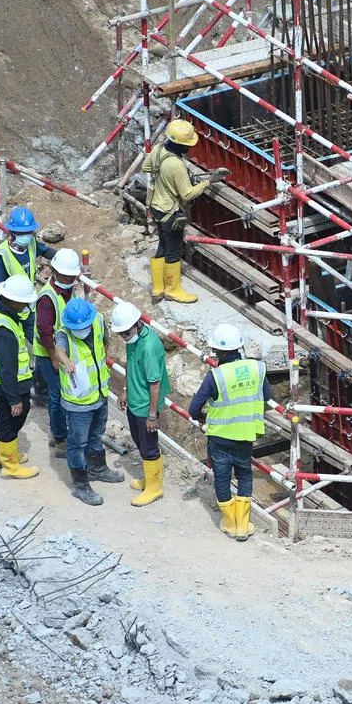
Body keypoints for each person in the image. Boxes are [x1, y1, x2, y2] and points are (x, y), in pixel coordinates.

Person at [189, 323, 270, 541]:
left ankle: (230, 522)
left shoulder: (215, 376)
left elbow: (194, 408)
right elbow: (267, 396)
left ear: (218, 351)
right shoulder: (257, 368)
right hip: (246, 434)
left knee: (222, 477)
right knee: (244, 474)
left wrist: (201, 418)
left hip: (220, 436)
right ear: (239, 347)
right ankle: (243, 524)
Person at [141, 119, 225, 304]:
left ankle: (158, 288)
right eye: (187, 145)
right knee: (173, 250)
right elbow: (187, 194)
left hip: (156, 207)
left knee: (163, 244)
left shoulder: (159, 150)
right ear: (179, 144)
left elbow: (146, 167)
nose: (189, 148)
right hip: (170, 211)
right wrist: (208, 181)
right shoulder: (176, 165)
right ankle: (172, 289)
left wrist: (164, 176)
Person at [55, 297, 124, 506]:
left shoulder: (98, 320)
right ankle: (80, 486)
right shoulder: (63, 334)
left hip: (99, 394)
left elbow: (104, 343)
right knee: (77, 443)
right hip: (78, 403)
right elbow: (59, 350)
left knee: (96, 435)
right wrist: (66, 361)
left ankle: (98, 468)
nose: (81, 330)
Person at [110, 301, 171, 507]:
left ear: (137, 323)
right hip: (135, 401)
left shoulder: (149, 346)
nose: (124, 337)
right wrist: (125, 390)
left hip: (146, 406)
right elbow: (131, 367)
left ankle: (155, 488)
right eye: (122, 334)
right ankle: (149, 478)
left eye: (126, 333)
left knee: (149, 446)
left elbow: (155, 383)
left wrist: (152, 414)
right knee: (140, 441)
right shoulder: (133, 341)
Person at [0, 275, 40, 480]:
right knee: (12, 420)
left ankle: (2, 455)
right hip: (8, 384)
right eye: (23, 302)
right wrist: (14, 398)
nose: (25, 306)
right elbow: (7, 368)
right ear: (13, 301)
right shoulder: (4, 330)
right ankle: (10, 465)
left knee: (5, 419)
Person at [33, 248, 81, 458]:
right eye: (65, 275)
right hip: (48, 353)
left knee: (60, 394)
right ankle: (60, 438)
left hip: (60, 351)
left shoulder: (67, 290)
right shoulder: (47, 298)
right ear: (54, 271)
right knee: (57, 395)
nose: (69, 279)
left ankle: (60, 433)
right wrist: (54, 356)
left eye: (72, 276)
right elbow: (44, 330)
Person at [0, 206, 57, 340]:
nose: (25, 236)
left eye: (28, 232)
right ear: (12, 232)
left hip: (30, 306)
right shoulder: (2, 256)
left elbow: (46, 251)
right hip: (12, 308)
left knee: (39, 342)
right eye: (21, 233)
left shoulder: (31, 244)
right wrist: (0, 316)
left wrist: (63, 258)